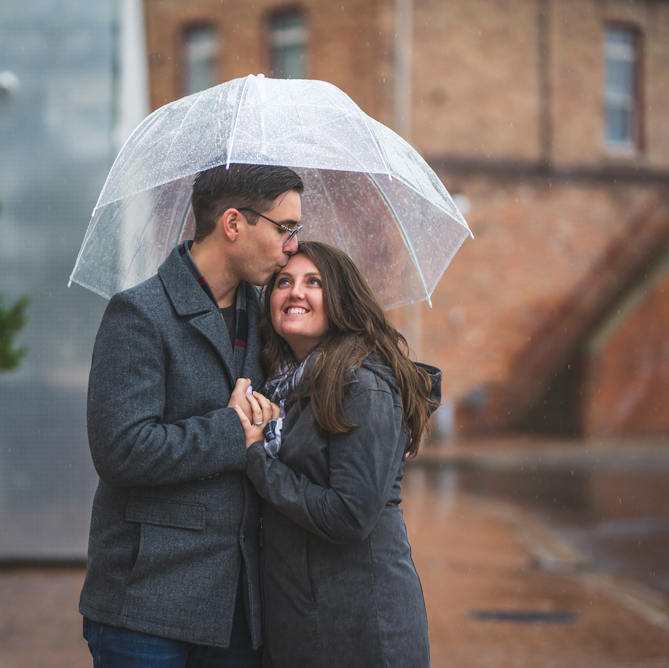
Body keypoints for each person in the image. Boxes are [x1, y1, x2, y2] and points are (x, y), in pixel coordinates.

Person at [80, 163, 305, 667]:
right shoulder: (139, 315)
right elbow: (121, 451)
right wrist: (231, 429)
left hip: (240, 609)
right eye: (285, 227)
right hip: (146, 604)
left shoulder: (269, 318)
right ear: (233, 224)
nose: (292, 244)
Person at [232, 241, 441, 668]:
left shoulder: (362, 383)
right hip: (303, 624)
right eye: (283, 282)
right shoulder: (284, 389)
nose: (295, 292)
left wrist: (257, 454)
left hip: (361, 627)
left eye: (314, 283)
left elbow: (350, 515)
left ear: (341, 299)